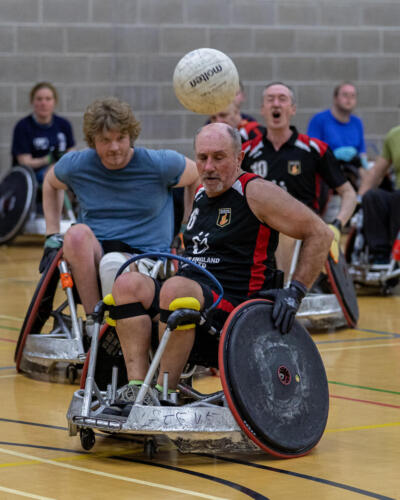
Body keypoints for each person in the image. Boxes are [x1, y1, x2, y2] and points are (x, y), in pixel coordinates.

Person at [108, 122, 333, 410]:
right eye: (202, 158)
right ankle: (137, 388)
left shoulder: (255, 192)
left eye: (219, 157)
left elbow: (321, 233)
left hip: (235, 309)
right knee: (128, 284)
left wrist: (296, 291)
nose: (209, 166)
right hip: (189, 298)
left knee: (175, 288)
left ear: (239, 158)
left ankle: (166, 393)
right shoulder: (201, 193)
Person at [41, 96, 198, 333]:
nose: (114, 148)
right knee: (75, 235)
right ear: (93, 141)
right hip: (95, 255)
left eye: (120, 139)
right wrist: (51, 233)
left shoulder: (159, 164)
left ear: (130, 137)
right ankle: (96, 321)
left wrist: (187, 227)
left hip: (147, 258)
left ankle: (115, 328)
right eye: (105, 140)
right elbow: (50, 183)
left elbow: (197, 175)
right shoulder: (78, 165)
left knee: (112, 263)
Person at [240, 82, 356, 279]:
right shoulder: (247, 151)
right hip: (256, 227)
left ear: (292, 109)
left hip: (301, 228)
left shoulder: (314, 149)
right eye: (270, 99)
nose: (276, 104)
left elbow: (349, 193)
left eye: (282, 99)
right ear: (262, 109)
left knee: (285, 224)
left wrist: (336, 225)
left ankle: (286, 289)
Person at [11, 82, 75, 185]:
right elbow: (25, 162)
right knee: (54, 175)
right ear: (32, 102)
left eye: (48, 99)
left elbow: (71, 151)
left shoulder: (64, 124)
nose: (43, 103)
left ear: (55, 102)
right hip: (33, 176)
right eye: (39, 99)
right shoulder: (23, 126)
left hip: (60, 169)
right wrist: (48, 159)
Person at [358, 125, 400, 264]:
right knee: (372, 197)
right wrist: (358, 200)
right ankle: (380, 255)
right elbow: (376, 172)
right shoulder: (394, 135)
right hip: (397, 197)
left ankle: (396, 254)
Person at [307, 82, 368, 176]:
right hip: (327, 172)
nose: (349, 99)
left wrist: (365, 167)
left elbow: (362, 152)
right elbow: (312, 152)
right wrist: (333, 156)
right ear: (335, 98)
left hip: (353, 171)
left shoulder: (357, 122)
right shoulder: (319, 120)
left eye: (353, 96)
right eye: (345, 95)